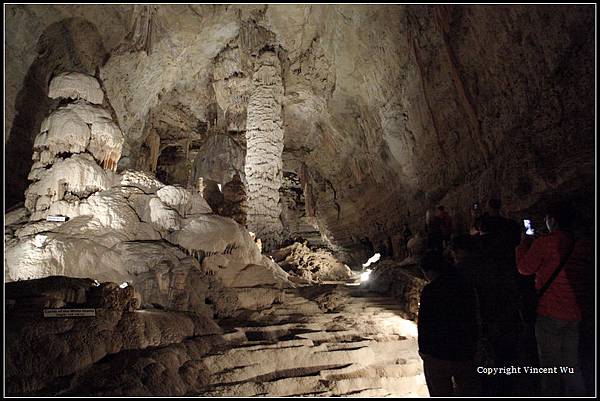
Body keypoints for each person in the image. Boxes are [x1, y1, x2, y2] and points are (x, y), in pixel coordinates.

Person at [516, 200, 590, 396]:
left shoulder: (545, 243)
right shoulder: (582, 244)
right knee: (572, 365)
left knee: (550, 367)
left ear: (553, 221)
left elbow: (524, 268)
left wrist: (523, 244)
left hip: (550, 313)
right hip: (575, 313)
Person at [418, 251, 480, 397]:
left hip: (437, 353)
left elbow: (424, 322)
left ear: (431, 271)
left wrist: (423, 350)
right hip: (464, 350)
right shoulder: (466, 286)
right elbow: (474, 317)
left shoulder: (430, 290)